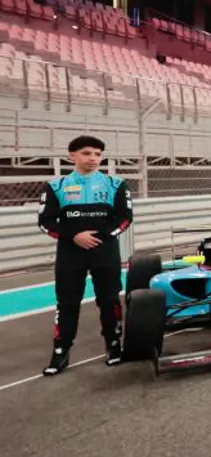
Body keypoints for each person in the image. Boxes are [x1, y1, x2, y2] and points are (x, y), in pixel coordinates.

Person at [38, 135, 133, 375]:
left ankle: (113, 344)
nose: (93, 158)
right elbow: (45, 222)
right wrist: (74, 236)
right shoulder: (55, 186)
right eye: (87, 153)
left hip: (105, 251)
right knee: (67, 303)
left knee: (109, 300)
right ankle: (60, 351)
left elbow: (124, 218)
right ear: (72, 156)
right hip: (70, 253)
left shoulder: (116, 184)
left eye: (98, 154)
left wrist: (100, 236)